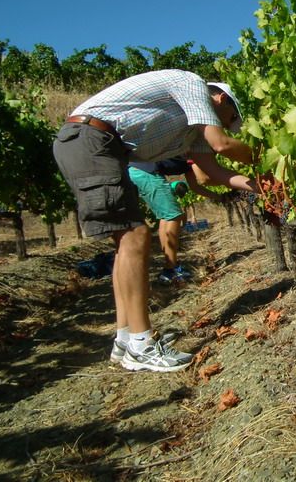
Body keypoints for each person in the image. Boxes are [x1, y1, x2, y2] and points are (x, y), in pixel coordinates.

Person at [53, 70, 259, 373]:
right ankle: (142, 344)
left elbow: (215, 173)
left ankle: (125, 338)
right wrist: (266, 158)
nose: (227, 125)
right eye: (230, 119)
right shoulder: (193, 85)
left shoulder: (193, 129)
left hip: (98, 145)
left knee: (127, 242)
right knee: (135, 237)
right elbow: (222, 144)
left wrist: (260, 184)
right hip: (91, 138)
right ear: (221, 98)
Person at [128, 157, 222, 284]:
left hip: (140, 172)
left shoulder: (190, 159)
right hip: (147, 172)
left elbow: (195, 187)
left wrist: (220, 197)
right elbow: (204, 179)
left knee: (166, 217)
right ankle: (170, 269)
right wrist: (229, 182)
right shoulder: (196, 153)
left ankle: (171, 265)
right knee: (173, 216)